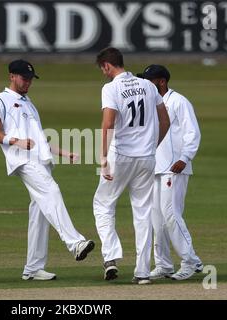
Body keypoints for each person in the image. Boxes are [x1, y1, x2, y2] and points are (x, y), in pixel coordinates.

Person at [0, 59, 95, 281]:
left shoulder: (29, 104)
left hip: (40, 160)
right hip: (22, 161)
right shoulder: (0, 100)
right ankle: (75, 243)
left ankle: (33, 268)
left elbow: (39, 140)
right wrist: (16, 141)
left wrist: (65, 153)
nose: (27, 82)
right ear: (11, 76)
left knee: (40, 212)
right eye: (23, 78)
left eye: (30, 79)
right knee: (52, 191)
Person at [92, 48, 171, 284]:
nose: (103, 73)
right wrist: (152, 145)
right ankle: (143, 272)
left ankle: (111, 257)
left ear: (107, 66)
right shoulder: (148, 85)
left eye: (102, 69)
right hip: (146, 158)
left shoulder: (110, 88)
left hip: (120, 156)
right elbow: (164, 120)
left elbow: (108, 123)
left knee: (103, 205)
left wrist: (103, 157)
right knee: (143, 213)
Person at [136, 65, 203, 281]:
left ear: (162, 82)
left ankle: (190, 261)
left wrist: (185, 158)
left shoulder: (179, 101)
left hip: (174, 167)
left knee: (171, 215)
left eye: (149, 80)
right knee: (157, 219)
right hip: (154, 168)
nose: (145, 84)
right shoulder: (150, 103)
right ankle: (164, 264)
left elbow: (192, 132)